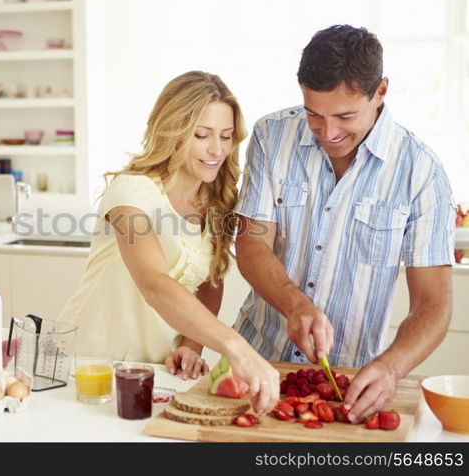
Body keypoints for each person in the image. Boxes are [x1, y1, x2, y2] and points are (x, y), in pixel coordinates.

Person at [234, 25, 455, 423]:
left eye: (345, 116)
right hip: (254, 364)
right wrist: (295, 303)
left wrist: (391, 367)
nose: (329, 132)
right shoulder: (271, 136)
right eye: (313, 114)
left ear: (381, 91)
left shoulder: (421, 172)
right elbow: (251, 245)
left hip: (352, 384)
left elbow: (433, 306)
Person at [59, 71, 280, 414]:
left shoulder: (219, 200)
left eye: (226, 136)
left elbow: (210, 283)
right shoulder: (131, 193)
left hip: (158, 370)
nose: (217, 149)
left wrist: (192, 345)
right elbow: (155, 284)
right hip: (93, 362)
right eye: (202, 135)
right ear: (173, 132)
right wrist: (237, 348)